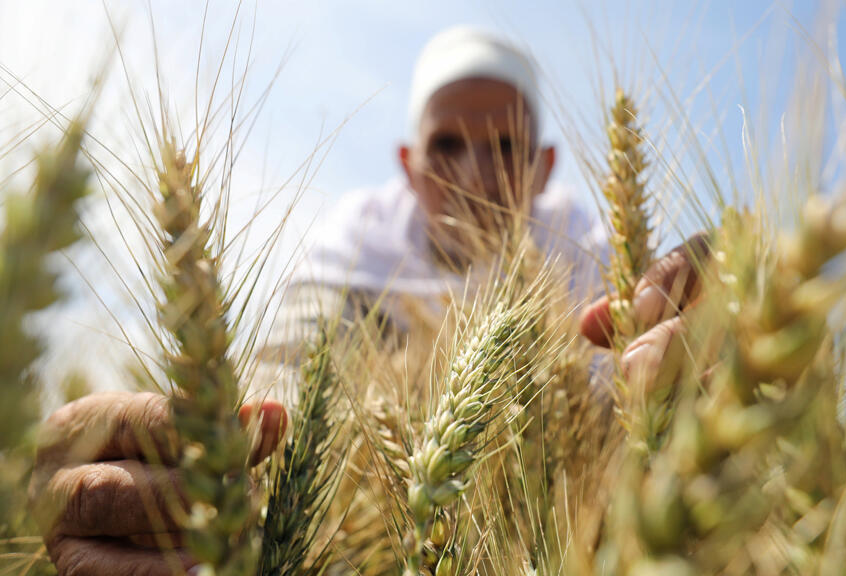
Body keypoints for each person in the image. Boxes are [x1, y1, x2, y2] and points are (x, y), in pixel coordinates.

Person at [28, 27, 705, 576]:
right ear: (409, 163)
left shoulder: (589, 250)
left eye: (506, 145)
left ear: (545, 167)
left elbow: (624, 409)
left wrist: (719, 342)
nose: (475, 175)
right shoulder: (360, 239)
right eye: (448, 144)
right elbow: (295, 368)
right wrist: (214, 451)